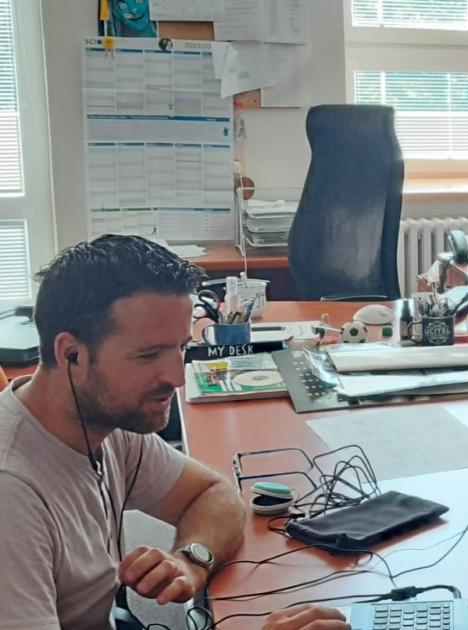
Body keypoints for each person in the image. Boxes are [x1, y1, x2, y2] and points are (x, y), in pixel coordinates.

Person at [0, 235, 346, 630]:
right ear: (71, 355)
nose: (177, 378)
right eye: (148, 355)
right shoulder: (11, 494)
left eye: (180, 348)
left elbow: (212, 494)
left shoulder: (107, 421)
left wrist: (192, 561)